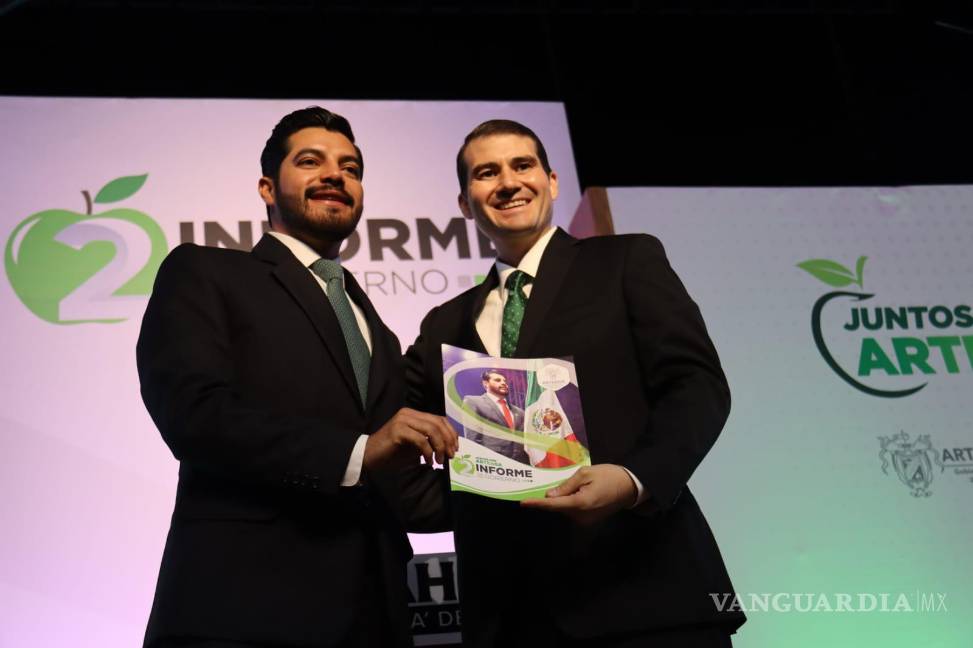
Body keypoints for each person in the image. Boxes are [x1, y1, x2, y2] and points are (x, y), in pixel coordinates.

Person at [404, 120, 745, 647]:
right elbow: (397, 424)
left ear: (552, 180)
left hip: (645, 591)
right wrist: (458, 506)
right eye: (487, 173)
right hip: (510, 616)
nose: (508, 182)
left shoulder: (625, 261)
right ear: (465, 203)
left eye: (522, 165)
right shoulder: (442, 324)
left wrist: (633, 479)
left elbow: (696, 385)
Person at [136, 106, 456, 648]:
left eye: (351, 168)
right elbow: (194, 414)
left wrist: (527, 487)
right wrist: (358, 453)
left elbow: (397, 486)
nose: (336, 175)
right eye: (311, 161)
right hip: (243, 611)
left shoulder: (375, 327)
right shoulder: (204, 271)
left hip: (377, 618)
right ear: (267, 187)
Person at [461, 370, 528, 463]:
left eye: (505, 381)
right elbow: (473, 439)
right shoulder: (473, 402)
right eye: (497, 380)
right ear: (485, 384)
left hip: (520, 464)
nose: (503, 383)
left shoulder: (519, 412)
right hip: (492, 463)